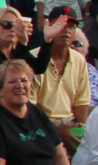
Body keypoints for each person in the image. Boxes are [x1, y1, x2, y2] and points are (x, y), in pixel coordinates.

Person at [34, 8, 94, 153]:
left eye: (71, 26)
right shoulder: (34, 58)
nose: (66, 31)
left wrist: (81, 130)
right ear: (48, 27)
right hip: (41, 125)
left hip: (71, 123)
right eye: (60, 25)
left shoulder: (79, 59)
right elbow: (30, 109)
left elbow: (81, 102)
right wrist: (57, 130)